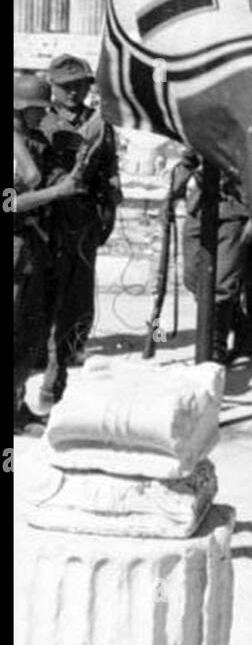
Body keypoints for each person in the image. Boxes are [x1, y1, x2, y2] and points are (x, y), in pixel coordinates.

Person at [38, 54, 121, 406]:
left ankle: (59, 379)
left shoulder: (99, 123)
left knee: (77, 304)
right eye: (65, 87)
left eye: (80, 86)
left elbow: (109, 168)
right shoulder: (37, 120)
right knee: (39, 303)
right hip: (43, 226)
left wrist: (111, 204)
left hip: (82, 224)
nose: (74, 93)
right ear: (52, 87)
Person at [13, 75, 83, 433]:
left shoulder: (31, 140)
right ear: (21, 111)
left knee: (27, 335)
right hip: (14, 251)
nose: (44, 117)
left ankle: (16, 407)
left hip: (33, 250)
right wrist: (55, 194)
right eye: (38, 111)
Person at [173, 151, 251, 364]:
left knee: (221, 285)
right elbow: (187, 160)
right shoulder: (201, 122)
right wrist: (171, 195)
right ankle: (247, 330)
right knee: (193, 280)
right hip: (200, 207)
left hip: (235, 210)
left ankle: (215, 349)